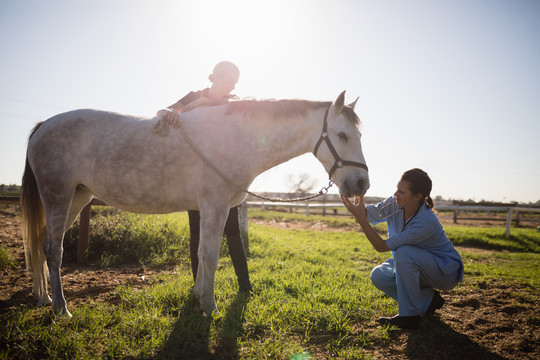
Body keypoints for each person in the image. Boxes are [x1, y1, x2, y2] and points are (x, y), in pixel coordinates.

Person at [156, 61, 253, 293]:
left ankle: (245, 286)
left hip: (225, 177)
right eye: (229, 81)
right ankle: (197, 286)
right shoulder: (192, 96)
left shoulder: (234, 101)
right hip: (197, 176)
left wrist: (206, 102)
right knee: (196, 231)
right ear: (215, 77)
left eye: (235, 83)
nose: (232, 86)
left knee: (231, 231)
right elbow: (160, 112)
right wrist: (169, 112)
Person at [341, 168, 463, 329]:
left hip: (445, 272)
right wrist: (358, 190)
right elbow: (367, 214)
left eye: (401, 191)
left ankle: (409, 318)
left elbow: (381, 246)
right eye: (397, 188)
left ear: (418, 196)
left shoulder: (425, 221)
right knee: (379, 275)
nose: (395, 193)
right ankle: (428, 300)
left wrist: (361, 219)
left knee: (404, 252)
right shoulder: (395, 202)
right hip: (414, 263)